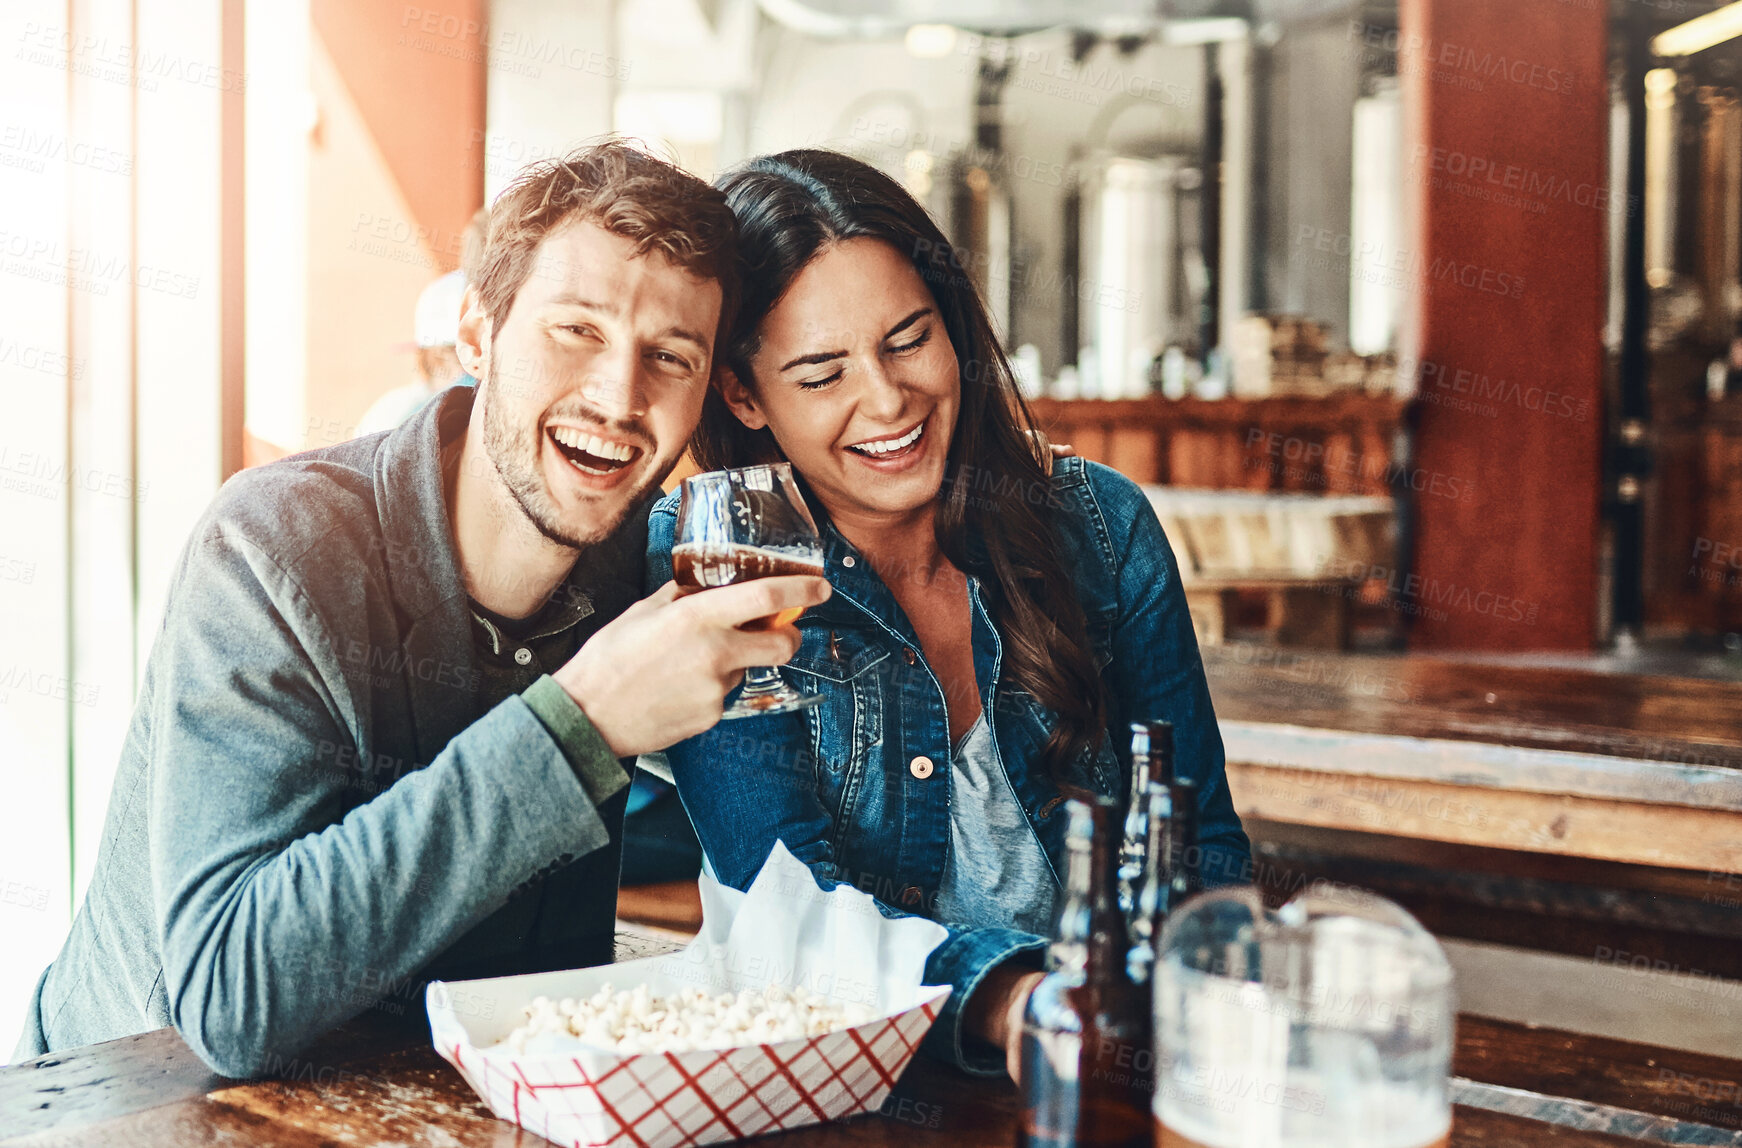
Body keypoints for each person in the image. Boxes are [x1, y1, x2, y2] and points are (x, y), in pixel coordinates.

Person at [13, 142, 830, 1076]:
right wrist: (584, 721)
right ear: (477, 336)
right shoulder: (276, 548)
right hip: (135, 1101)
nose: (619, 396)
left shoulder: (643, 564)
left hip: (446, 1096)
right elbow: (230, 999)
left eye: (670, 357)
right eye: (577, 331)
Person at [645, 149, 1252, 1079]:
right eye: (821, 375)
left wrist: (1169, 1026)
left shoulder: (1099, 526)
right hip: (844, 1089)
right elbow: (791, 911)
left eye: (908, 339)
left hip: (1102, 1076)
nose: (888, 399)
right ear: (741, 393)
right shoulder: (715, 563)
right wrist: (1019, 1002)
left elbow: (1200, 846)